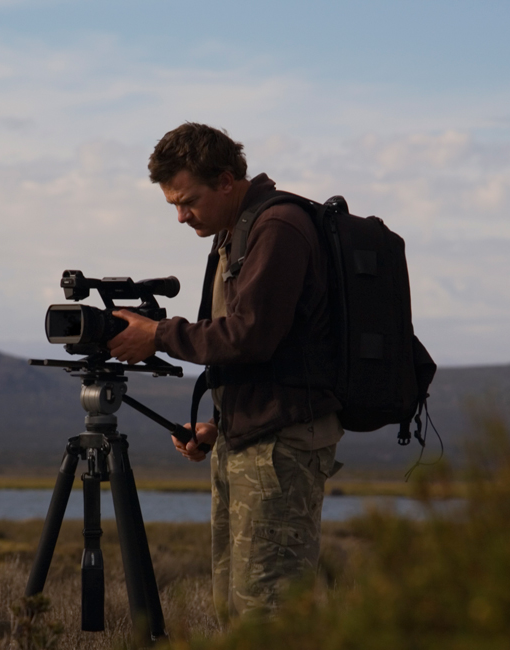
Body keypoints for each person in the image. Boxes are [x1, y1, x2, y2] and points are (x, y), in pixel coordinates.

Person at [108, 122, 342, 624]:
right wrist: (222, 423)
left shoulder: (276, 228)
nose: (180, 215)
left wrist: (159, 335)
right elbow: (256, 347)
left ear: (226, 182)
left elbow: (248, 335)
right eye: (172, 204)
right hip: (251, 440)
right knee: (233, 610)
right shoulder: (237, 231)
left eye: (187, 200)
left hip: (280, 450)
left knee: (269, 615)